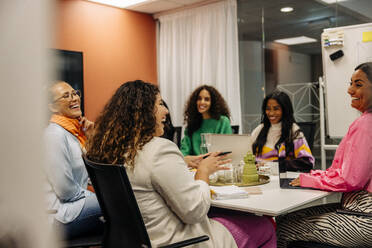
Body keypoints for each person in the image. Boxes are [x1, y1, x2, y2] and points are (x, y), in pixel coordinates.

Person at [86, 80, 276, 248]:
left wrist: (183, 162)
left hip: (137, 240)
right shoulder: (159, 149)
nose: (166, 111)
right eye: (160, 104)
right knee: (266, 225)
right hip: (180, 241)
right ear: (142, 112)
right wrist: (203, 172)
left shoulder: (109, 150)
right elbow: (195, 212)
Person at [276, 62, 372, 248]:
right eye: (350, 83)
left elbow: (350, 180)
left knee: (283, 226)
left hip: (365, 217)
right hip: (358, 210)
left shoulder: (366, 124)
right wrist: (315, 176)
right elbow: (344, 172)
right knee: (289, 216)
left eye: (358, 85)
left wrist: (309, 180)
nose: (350, 90)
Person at [44, 81, 103, 239]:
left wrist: (91, 140)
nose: (74, 98)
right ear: (52, 107)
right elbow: (65, 191)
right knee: (119, 200)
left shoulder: (74, 133)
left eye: (75, 93)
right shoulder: (54, 135)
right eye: (66, 96)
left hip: (71, 206)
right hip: (58, 215)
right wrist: (101, 196)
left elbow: (90, 177)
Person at [251, 91, 314, 172]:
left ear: (285, 110)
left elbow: (307, 162)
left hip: (282, 180)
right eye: (268, 109)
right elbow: (250, 156)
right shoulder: (259, 130)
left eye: (276, 109)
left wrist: (272, 166)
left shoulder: (293, 131)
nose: (271, 113)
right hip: (260, 178)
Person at [180, 85, 233, 168]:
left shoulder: (223, 121)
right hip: (195, 168)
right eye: (199, 99)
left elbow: (226, 151)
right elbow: (184, 152)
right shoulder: (192, 123)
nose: (202, 102)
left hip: (216, 167)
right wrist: (186, 159)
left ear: (213, 102)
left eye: (207, 99)